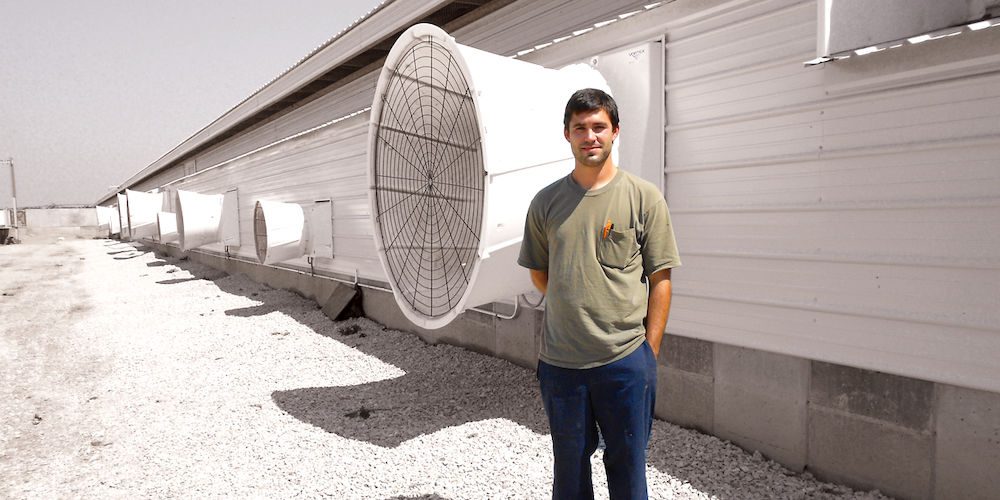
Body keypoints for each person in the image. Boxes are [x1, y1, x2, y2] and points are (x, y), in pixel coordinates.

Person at [517, 88, 680, 499]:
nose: (590, 136)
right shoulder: (546, 203)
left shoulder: (644, 198)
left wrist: (648, 352)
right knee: (569, 473)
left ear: (615, 132)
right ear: (567, 135)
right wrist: (573, 298)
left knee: (627, 468)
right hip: (561, 364)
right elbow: (539, 271)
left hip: (624, 362)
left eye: (599, 127)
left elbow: (661, 279)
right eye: (580, 128)